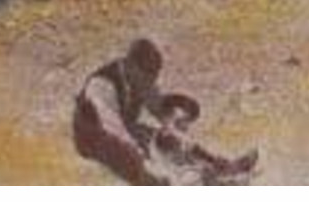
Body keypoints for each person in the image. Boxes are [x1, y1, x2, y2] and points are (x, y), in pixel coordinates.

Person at [73, 39, 255, 186]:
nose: (149, 85)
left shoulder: (141, 78)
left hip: (125, 126)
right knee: (147, 173)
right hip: (93, 136)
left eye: (152, 80)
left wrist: (177, 129)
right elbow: (114, 129)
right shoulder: (102, 85)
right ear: (131, 66)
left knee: (168, 140)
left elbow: (158, 109)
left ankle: (221, 167)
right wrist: (143, 157)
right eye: (146, 78)